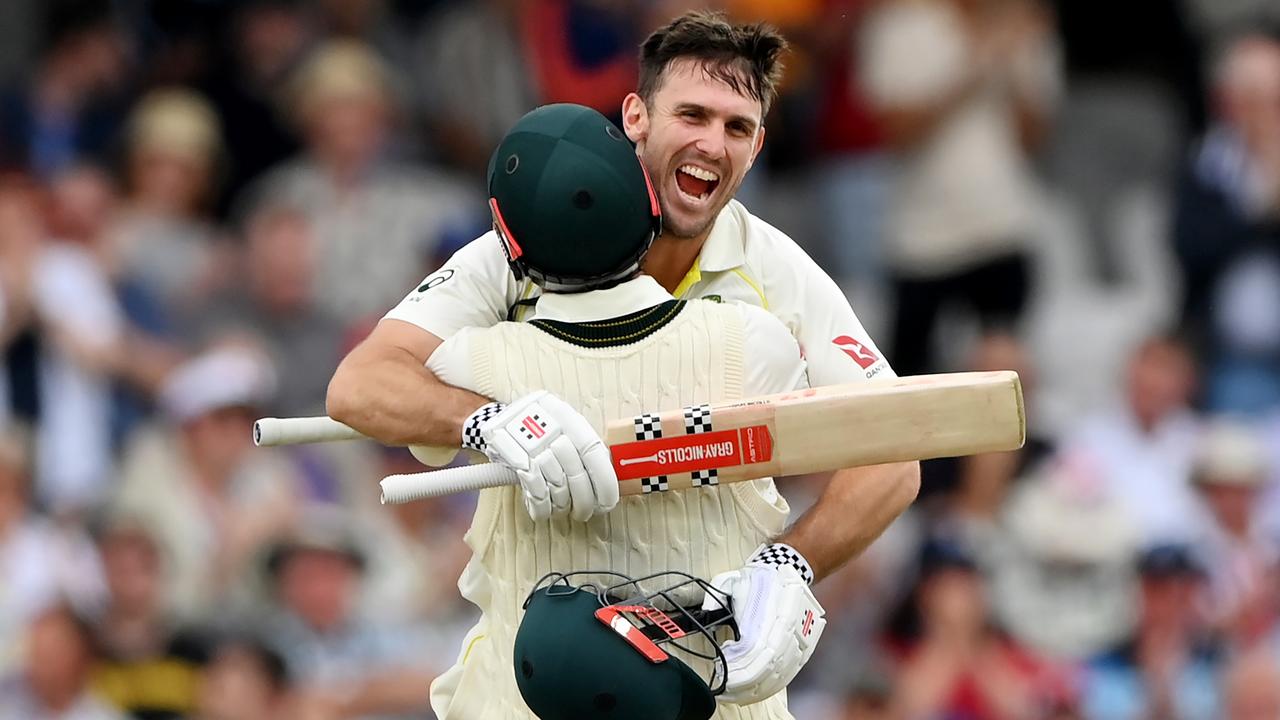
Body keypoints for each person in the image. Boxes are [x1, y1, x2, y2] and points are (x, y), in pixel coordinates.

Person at [327, 4, 919, 599]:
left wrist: (785, 571)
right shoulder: (536, 232)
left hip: (699, 624)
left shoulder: (779, 269)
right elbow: (360, 385)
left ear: (758, 144)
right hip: (535, 618)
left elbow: (894, 453)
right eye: (693, 115)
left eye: (737, 127)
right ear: (635, 117)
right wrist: (487, 420)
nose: (713, 144)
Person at [419, 100, 828, 718]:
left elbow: (392, 415)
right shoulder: (754, 343)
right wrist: (794, 558)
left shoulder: (466, 365)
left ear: (510, 244)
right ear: (648, 207)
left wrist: (482, 417)